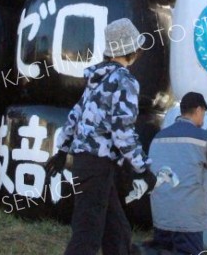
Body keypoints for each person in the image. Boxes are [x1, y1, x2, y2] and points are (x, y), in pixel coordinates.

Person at [45, 18, 157, 255]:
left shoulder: (97, 80)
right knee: (87, 236)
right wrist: (142, 169)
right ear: (132, 50)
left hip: (86, 164)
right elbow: (122, 131)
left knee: (117, 232)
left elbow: (75, 116)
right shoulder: (125, 81)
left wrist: (62, 151)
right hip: (99, 165)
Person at [147, 91, 207, 255]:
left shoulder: (159, 136)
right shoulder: (201, 137)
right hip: (187, 216)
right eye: (204, 112)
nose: (204, 117)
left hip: (161, 212)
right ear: (198, 110)